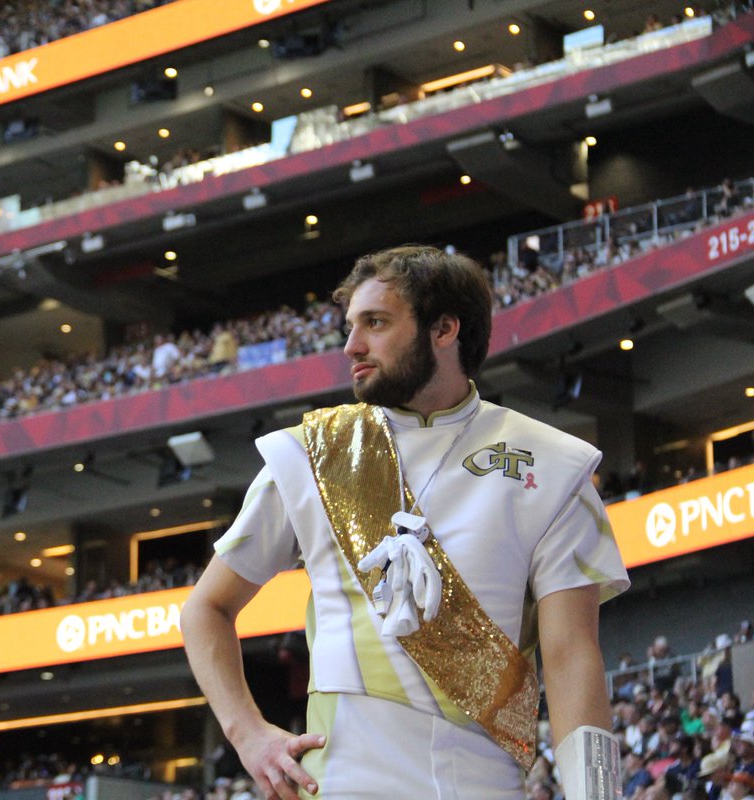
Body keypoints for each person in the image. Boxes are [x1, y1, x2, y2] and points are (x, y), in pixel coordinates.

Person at [181, 245, 630, 799]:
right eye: (351, 325)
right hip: (340, 784)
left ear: (444, 329)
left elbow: (571, 656)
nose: (352, 346)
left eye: (376, 323)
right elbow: (206, 608)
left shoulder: (555, 466)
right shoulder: (309, 455)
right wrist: (247, 735)